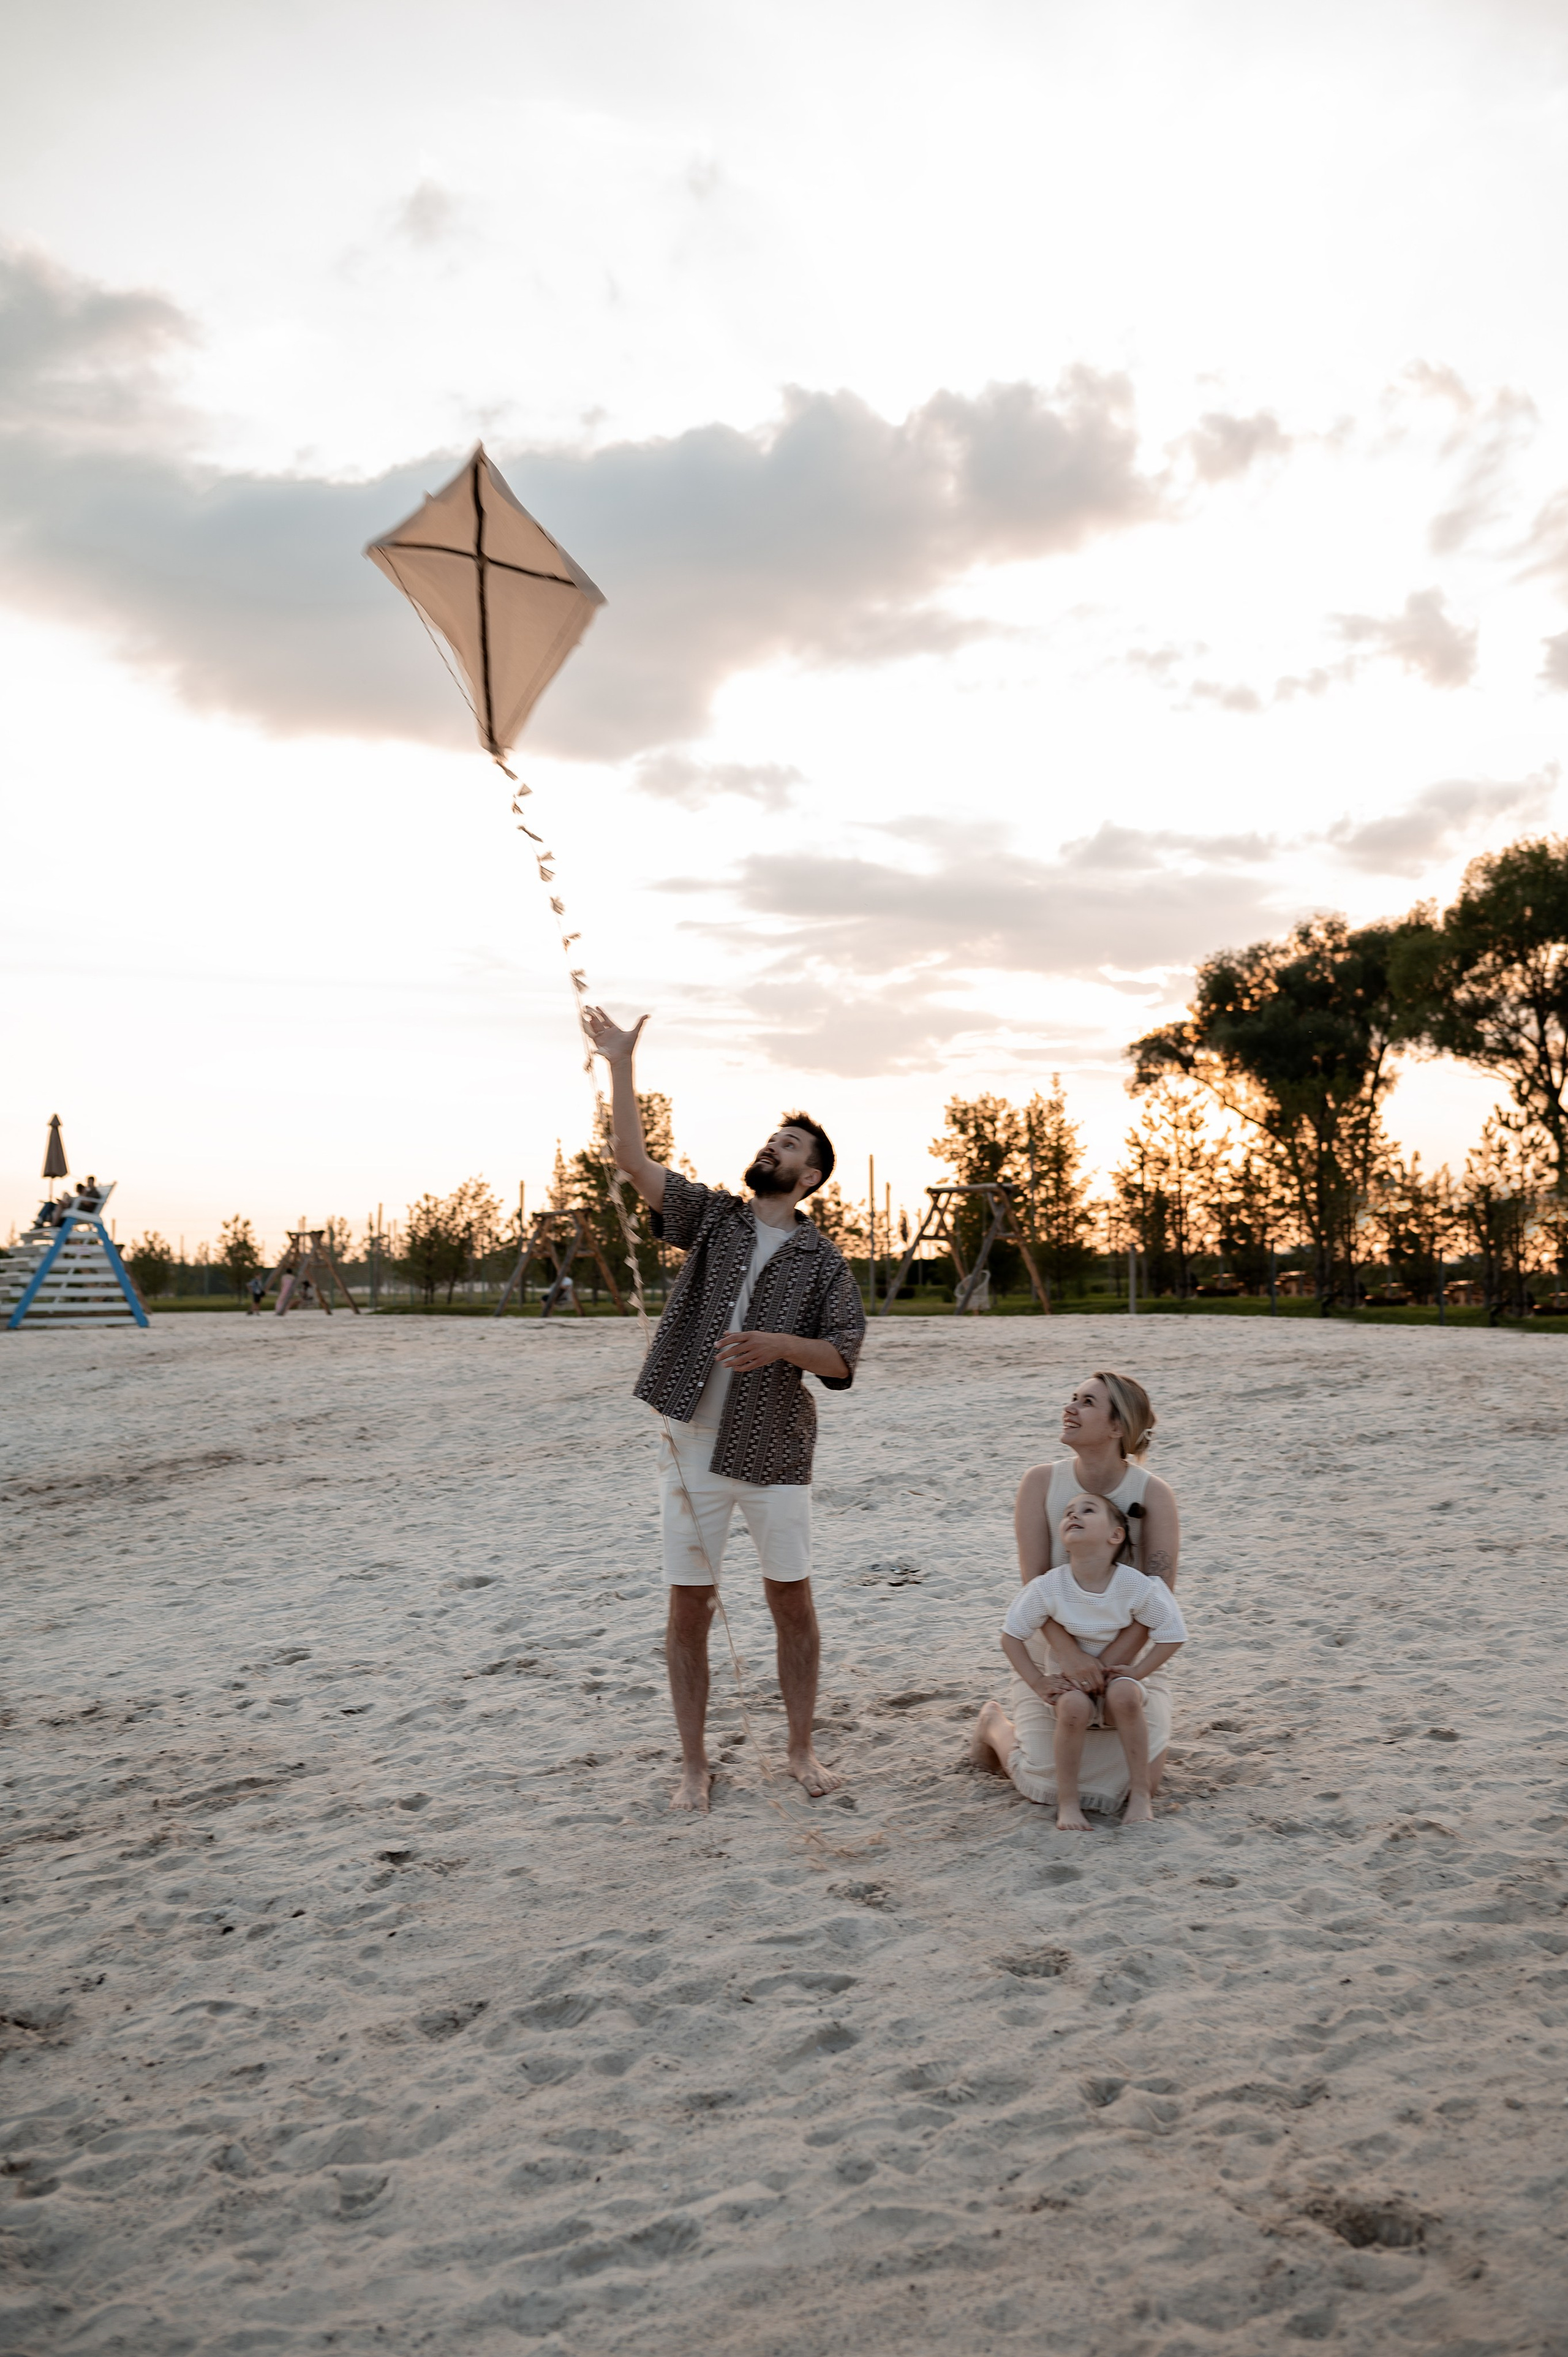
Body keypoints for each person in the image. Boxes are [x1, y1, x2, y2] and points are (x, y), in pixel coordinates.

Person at [586, 1005, 867, 1815]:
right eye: (771, 1139)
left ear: (810, 1176)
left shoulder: (824, 1262)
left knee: (792, 1603)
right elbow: (631, 1158)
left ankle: (802, 1748)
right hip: (690, 1443)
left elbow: (843, 1358)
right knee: (689, 1608)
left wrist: (781, 1343)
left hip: (776, 1451)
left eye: (789, 1146)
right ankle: (694, 1765)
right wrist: (622, 1064)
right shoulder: (713, 1218)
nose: (771, 1149)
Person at [970, 1370, 1183, 1815]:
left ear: (1117, 1427)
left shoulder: (1154, 1494)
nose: (1070, 1408)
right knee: (1042, 1783)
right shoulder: (1041, 1483)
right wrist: (1069, 1656)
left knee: (1141, 1786)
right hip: (1054, 1647)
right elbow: (1035, 1583)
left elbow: (1159, 1601)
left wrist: (1111, 1667)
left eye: (1086, 1403)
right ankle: (994, 1725)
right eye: (1073, 1398)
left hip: (1126, 1650)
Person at [1000, 1490, 1186, 1829]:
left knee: (1126, 1695)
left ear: (1116, 1536)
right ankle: (1068, 1804)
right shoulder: (1049, 1587)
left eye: (1088, 1511)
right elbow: (1010, 1637)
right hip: (1070, 1684)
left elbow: (1172, 1634)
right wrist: (1038, 1682)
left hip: (1119, 1679)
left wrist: (1139, 1672)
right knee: (1073, 1708)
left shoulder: (1135, 1585)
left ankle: (1141, 1795)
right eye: (1068, 1512)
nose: (1074, 1515)